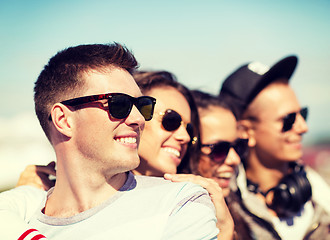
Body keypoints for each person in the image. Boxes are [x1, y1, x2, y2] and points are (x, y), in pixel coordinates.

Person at [0, 43, 219, 239]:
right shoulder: (17, 218)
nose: (138, 119)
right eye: (119, 104)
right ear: (63, 120)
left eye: (142, 105)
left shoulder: (180, 204)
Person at [219, 55, 330, 239]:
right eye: (288, 120)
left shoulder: (318, 190)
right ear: (247, 131)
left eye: (302, 114)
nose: (303, 127)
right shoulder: (223, 205)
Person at [168, 90, 253, 240]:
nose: (234, 159)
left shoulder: (240, 207)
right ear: (188, 148)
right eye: (220, 149)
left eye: (238, 146)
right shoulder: (173, 218)